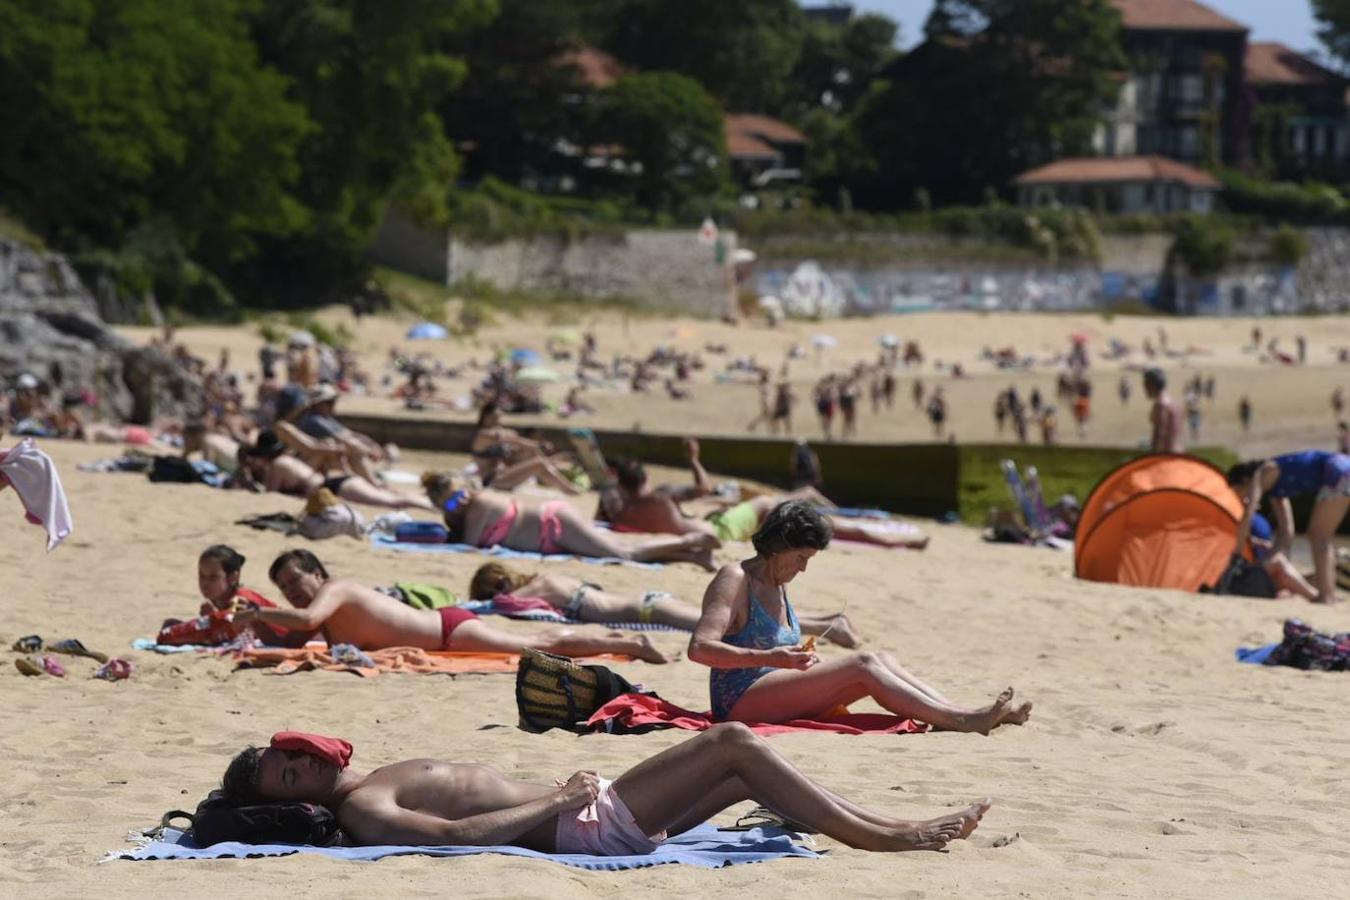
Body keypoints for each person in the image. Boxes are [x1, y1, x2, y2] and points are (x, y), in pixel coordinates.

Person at [222, 725, 992, 853]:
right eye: (288, 778)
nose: (302, 767)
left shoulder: (370, 775)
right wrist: (558, 801)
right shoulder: (363, 808)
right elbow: (457, 840)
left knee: (733, 776)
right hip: (581, 824)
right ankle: (883, 835)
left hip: (589, 813)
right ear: (298, 800)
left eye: (291, 759)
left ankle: (879, 823)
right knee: (731, 743)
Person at [689, 501, 1030, 729]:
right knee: (863, 664)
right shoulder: (735, 578)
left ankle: (962, 711)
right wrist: (771, 657)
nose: (803, 569)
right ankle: (961, 720)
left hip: (769, 688)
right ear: (779, 546)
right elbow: (700, 648)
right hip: (738, 701)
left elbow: (765, 636)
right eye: (800, 558)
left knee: (881, 658)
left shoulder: (777, 580)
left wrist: (802, 649)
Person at [233, 549, 672, 662]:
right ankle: (617, 638)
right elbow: (292, 634)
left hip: (448, 630)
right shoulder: (323, 614)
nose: (292, 591)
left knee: (536, 645)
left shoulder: (337, 590)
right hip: (443, 634)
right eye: (284, 587)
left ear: (318, 573)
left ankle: (630, 643)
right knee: (536, 642)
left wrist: (255, 612)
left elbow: (303, 620)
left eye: (296, 580)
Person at [468, 561, 860, 645]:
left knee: (729, 625)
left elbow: (502, 604)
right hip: (648, 602)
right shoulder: (545, 577)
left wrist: (476, 603)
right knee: (738, 619)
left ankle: (829, 625)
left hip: (647, 611)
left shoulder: (537, 585)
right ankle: (829, 620)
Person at [423, 473, 719, 569]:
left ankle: (690, 540)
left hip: (554, 523)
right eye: (451, 501)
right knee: (622, 555)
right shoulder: (467, 510)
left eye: (459, 493)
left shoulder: (480, 504)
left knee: (623, 554)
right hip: (551, 535)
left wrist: (450, 517)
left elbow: (468, 546)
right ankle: (693, 556)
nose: (460, 501)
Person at [1226, 451, 1350, 604]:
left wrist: (1237, 551)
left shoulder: (1264, 472)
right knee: (1321, 536)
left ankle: (1326, 596)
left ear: (1245, 480)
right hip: (1343, 470)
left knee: (1318, 536)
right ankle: (1328, 593)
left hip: (1338, 470)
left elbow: (1249, 513)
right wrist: (1272, 556)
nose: (1241, 498)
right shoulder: (1276, 491)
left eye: (1238, 492)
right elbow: (1286, 532)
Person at [238, 431, 433, 510]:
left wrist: (247, 481)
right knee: (388, 497)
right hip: (337, 482)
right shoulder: (285, 460)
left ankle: (432, 506)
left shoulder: (278, 465)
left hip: (336, 487)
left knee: (391, 502)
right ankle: (430, 502)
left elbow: (270, 496)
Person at [597, 438, 714, 529]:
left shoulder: (615, 504)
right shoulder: (661, 496)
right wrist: (694, 460)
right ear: (647, 478)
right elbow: (705, 489)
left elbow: (598, 522)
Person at [470, 401, 581, 494]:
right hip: (494, 480)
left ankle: (553, 465)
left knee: (531, 453)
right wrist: (538, 445)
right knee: (538, 463)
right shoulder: (482, 435)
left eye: (499, 418)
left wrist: (532, 447)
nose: (498, 422)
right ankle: (570, 490)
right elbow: (511, 438)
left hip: (505, 474)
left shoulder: (496, 433)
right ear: (486, 418)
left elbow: (512, 441)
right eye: (495, 418)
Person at [1143, 368, 1182, 454]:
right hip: (1178, 452)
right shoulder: (1174, 403)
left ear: (1151, 385)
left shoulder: (1160, 405)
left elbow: (1158, 435)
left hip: (1167, 455)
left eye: (1145, 385)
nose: (1144, 389)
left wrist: (1152, 456)